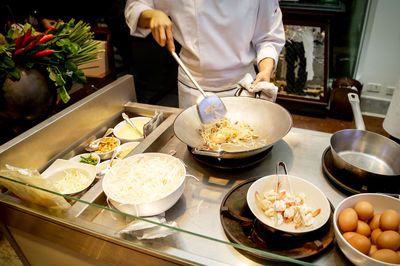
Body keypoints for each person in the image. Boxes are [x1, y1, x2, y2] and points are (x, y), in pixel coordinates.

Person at [126, 0, 285, 108]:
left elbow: (268, 36)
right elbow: (135, 7)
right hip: (194, 87)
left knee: (243, 142)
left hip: (244, 86)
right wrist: (152, 15)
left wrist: (265, 71)